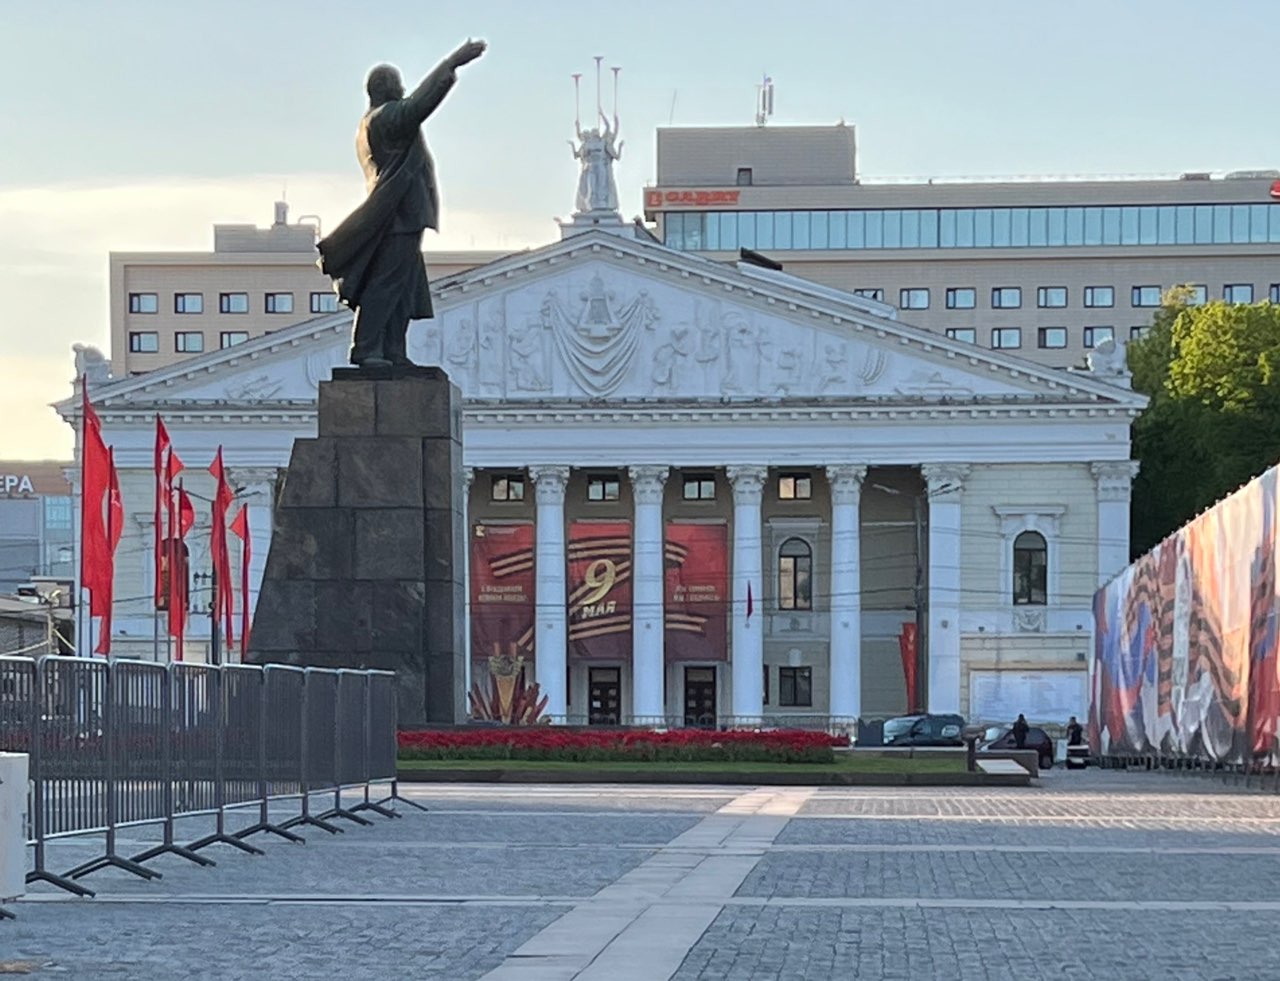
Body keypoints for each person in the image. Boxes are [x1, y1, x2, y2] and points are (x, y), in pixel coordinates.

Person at [318, 39, 488, 368]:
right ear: (385, 88)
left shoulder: (371, 123)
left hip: (400, 216)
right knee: (386, 283)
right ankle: (367, 349)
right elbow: (417, 107)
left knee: (402, 287)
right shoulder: (385, 118)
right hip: (396, 217)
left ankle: (392, 350)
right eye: (398, 84)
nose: (403, 89)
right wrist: (451, 63)